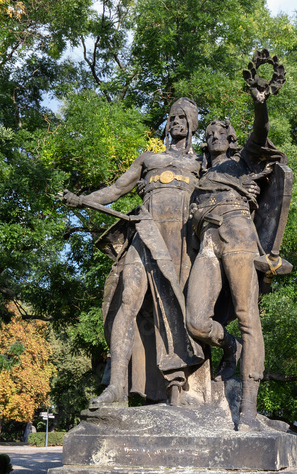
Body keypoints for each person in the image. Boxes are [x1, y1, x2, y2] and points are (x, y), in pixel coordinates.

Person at [63, 98, 204, 407]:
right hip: (146, 232)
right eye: (171, 117)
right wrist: (82, 199)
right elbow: (115, 189)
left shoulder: (200, 165)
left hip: (181, 244)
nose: (175, 122)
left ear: (192, 124)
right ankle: (116, 386)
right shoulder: (148, 159)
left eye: (182, 117)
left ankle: (176, 388)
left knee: (175, 309)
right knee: (128, 298)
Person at [186, 51, 292, 430]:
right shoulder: (197, 174)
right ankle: (230, 347)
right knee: (196, 321)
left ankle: (247, 408)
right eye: (209, 132)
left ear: (231, 139)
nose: (214, 136)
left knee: (249, 317)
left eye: (221, 133)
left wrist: (259, 104)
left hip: (237, 233)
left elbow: (260, 134)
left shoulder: (241, 161)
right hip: (208, 242)